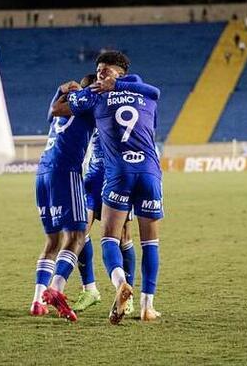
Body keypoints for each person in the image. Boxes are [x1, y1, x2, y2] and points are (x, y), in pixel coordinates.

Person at [52, 51, 163, 324]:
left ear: (120, 74)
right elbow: (154, 93)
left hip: (116, 174)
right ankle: (140, 303)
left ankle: (118, 288)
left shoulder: (96, 96)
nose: (100, 74)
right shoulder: (142, 91)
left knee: (111, 238)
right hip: (147, 171)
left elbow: (58, 108)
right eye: (98, 70)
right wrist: (117, 86)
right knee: (139, 241)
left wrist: (66, 91)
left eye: (106, 70)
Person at [29, 76, 95, 322]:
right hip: (65, 172)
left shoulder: (61, 105)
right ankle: (56, 289)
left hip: (42, 173)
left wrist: (60, 89)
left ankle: (37, 301)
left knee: (52, 241)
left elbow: (51, 112)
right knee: (77, 236)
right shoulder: (89, 103)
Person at [71, 74, 137, 316]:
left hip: (116, 179)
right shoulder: (90, 106)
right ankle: (90, 289)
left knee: (123, 236)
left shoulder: (122, 102)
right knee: (80, 232)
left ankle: (127, 294)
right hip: (91, 179)